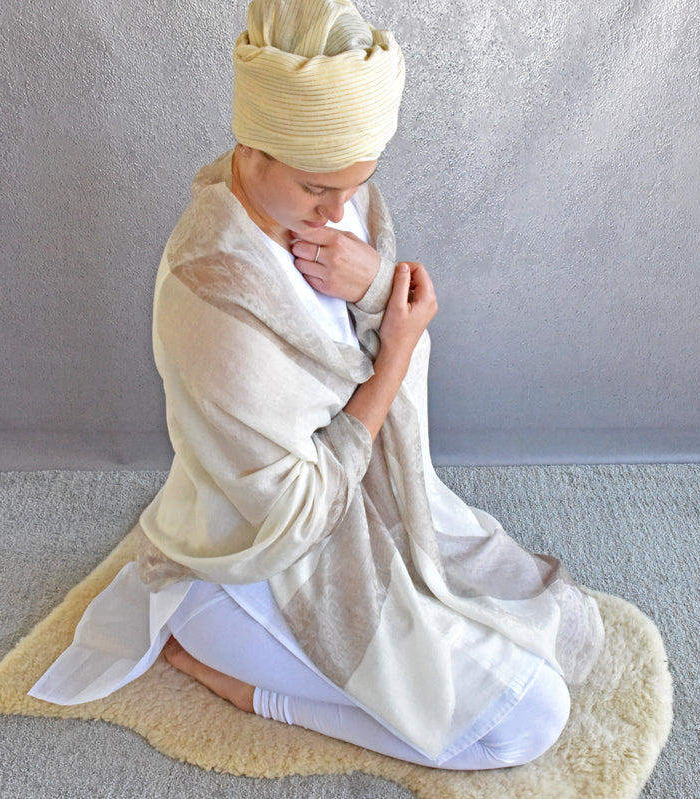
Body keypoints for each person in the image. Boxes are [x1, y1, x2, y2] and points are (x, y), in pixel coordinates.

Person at [30, 0, 604, 769]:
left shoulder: (342, 191)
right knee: (524, 719)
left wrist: (376, 289)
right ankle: (251, 690)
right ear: (253, 147)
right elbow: (296, 510)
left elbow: (374, 324)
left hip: (358, 500)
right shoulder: (213, 297)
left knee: (567, 632)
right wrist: (395, 350)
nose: (341, 212)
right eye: (315, 191)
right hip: (252, 561)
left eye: (358, 184)